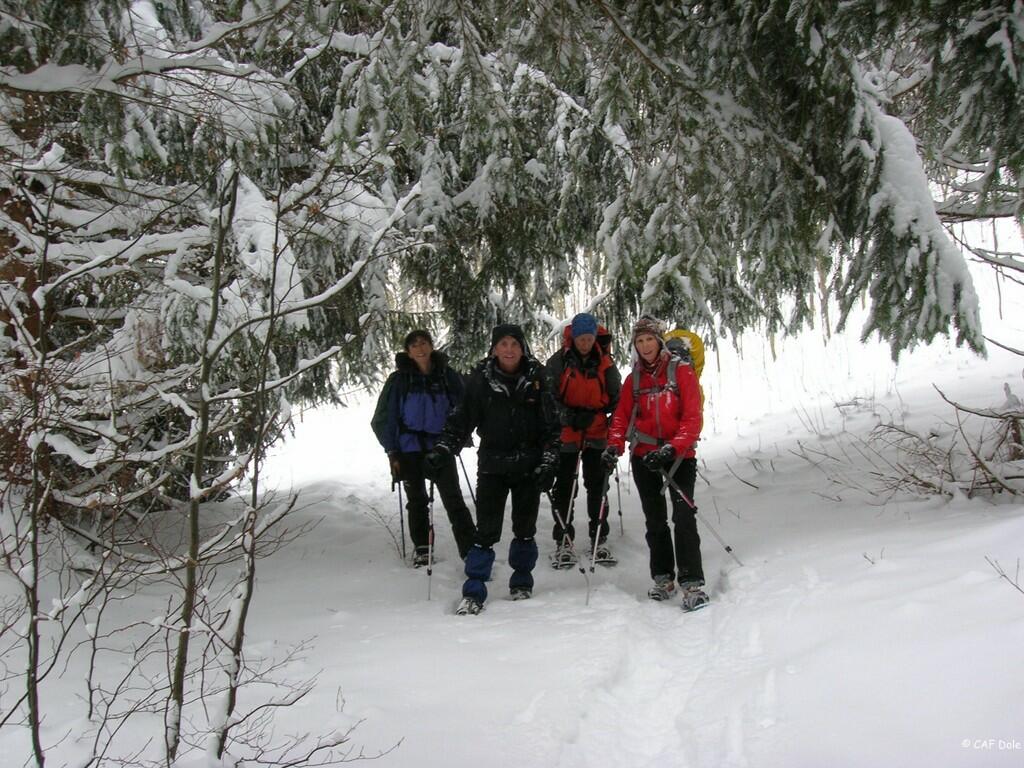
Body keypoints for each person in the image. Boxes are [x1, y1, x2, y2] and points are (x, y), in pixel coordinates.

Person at [427, 324, 560, 615]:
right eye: (503, 344)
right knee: (485, 531)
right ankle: (474, 590)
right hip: (492, 465)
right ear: (494, 348)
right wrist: (443, 449)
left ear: (523, 348)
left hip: (529, 466)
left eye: (514, 344)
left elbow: (551, 427)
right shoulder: (480, 380)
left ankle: (521, 582)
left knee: (524, 529)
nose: (509, 350)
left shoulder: (538, 378)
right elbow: (461, 420)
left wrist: (549, 462)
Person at [603, 316, 709, 611]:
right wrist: (613, 447)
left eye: (649, 339)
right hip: (645, 456)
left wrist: (672, 448)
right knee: (655, 519)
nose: (645, 345)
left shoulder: (682, 371)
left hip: (679, 456)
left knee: (684, 517)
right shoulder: (633, 379)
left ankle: (692, 582)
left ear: (659, 341)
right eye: (639, 341)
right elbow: (621, 418)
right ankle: (663, 578)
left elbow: (692, 419)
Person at [371, 330, 476, 566]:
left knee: (453, 499)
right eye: (414, 345)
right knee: (417, 500)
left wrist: (456, 441)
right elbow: (384, 418)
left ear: (431, 346)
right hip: (408, 448)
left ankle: (470, 548)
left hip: (441, 447)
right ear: (408, 352)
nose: (420, 348)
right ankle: (422, 548)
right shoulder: (399, 380)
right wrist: (392, 451)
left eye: (423, 343)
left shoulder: (447, 375)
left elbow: (463, 411)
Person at [544, 312, 621, 568]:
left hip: (596, 431)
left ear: (595, 338)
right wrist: (568, 416)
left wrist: (608, 421)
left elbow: (617, 398)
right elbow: (549, 397)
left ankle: (599, 537)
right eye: (581, 339)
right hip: (567, 433)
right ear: (573, 338)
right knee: (565, 487)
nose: (585, 343)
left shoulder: (605, 362)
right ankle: (563, 539)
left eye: (589, 338)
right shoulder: (559, 362)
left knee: (598, 486)